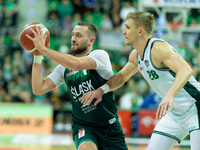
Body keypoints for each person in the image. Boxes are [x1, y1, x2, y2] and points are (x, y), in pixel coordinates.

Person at [81, 11, 200, 150]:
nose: (123, 31)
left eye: (128, 27)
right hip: (176, 114)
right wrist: (102, 90)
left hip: (195, 106)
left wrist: (169, 95)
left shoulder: (158, 48)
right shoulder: (136, 55)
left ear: (140, 31)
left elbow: (186, 70)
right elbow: (121, 77)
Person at [26, 22, 128, 150]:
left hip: (110, 127)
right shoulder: (63, 69)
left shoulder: (100, 55)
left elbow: (76, 64)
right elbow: (38, 88)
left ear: (91, 40)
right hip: (83, 125)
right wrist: (37, 56)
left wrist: (44, 49)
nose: (73, 39)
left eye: (79, 35)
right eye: (73, 35)